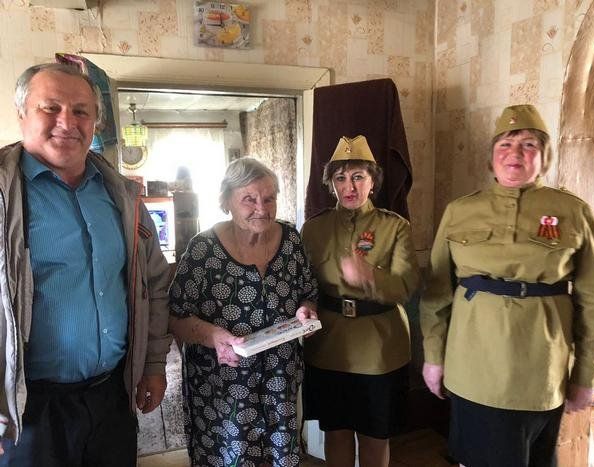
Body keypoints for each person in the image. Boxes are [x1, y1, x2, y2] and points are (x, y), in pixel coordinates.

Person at [0, 63, 172, 466]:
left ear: (95, 121)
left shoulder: (123, 196)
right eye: (51, 107)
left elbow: (154, 284)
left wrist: (152, 364)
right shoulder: (4, 195)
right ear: (22, 113)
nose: (67, 122)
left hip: (111, 397)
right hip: (28, 410)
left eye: (81, 111)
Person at [420, 104, 594, 467]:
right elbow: (437, 294)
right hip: (472, 368)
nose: (514, 153)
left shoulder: (573, 212)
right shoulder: (459, 211)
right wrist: (433, 357)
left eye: (528, 144)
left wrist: (587, 373)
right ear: (491, 158)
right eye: (505, 144)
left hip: (541, 372)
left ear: (544, 157)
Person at [169, 157, 318, 467]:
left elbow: (308, 292)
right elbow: (175, 316)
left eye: (269, 198)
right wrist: (213, 335)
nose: (261, 208)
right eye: (249, 199)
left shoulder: (291, 240)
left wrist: (306, 311)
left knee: (281, 457)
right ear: (226, 201)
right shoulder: (203, 249)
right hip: (222, 385)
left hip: (280, 378)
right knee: (229, 457)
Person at [301, 135, 420, 467]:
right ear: (331, 184)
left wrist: (370, 276)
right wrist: (306, 304)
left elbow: (406, 286)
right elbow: (304, 283)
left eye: (358, 176)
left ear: (373, 181)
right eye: (340, 178)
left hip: (380, 350)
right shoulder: (313, 229)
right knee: (336, 432)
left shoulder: (394, 227)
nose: (349, 186)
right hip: (329, 347)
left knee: (374, 435)